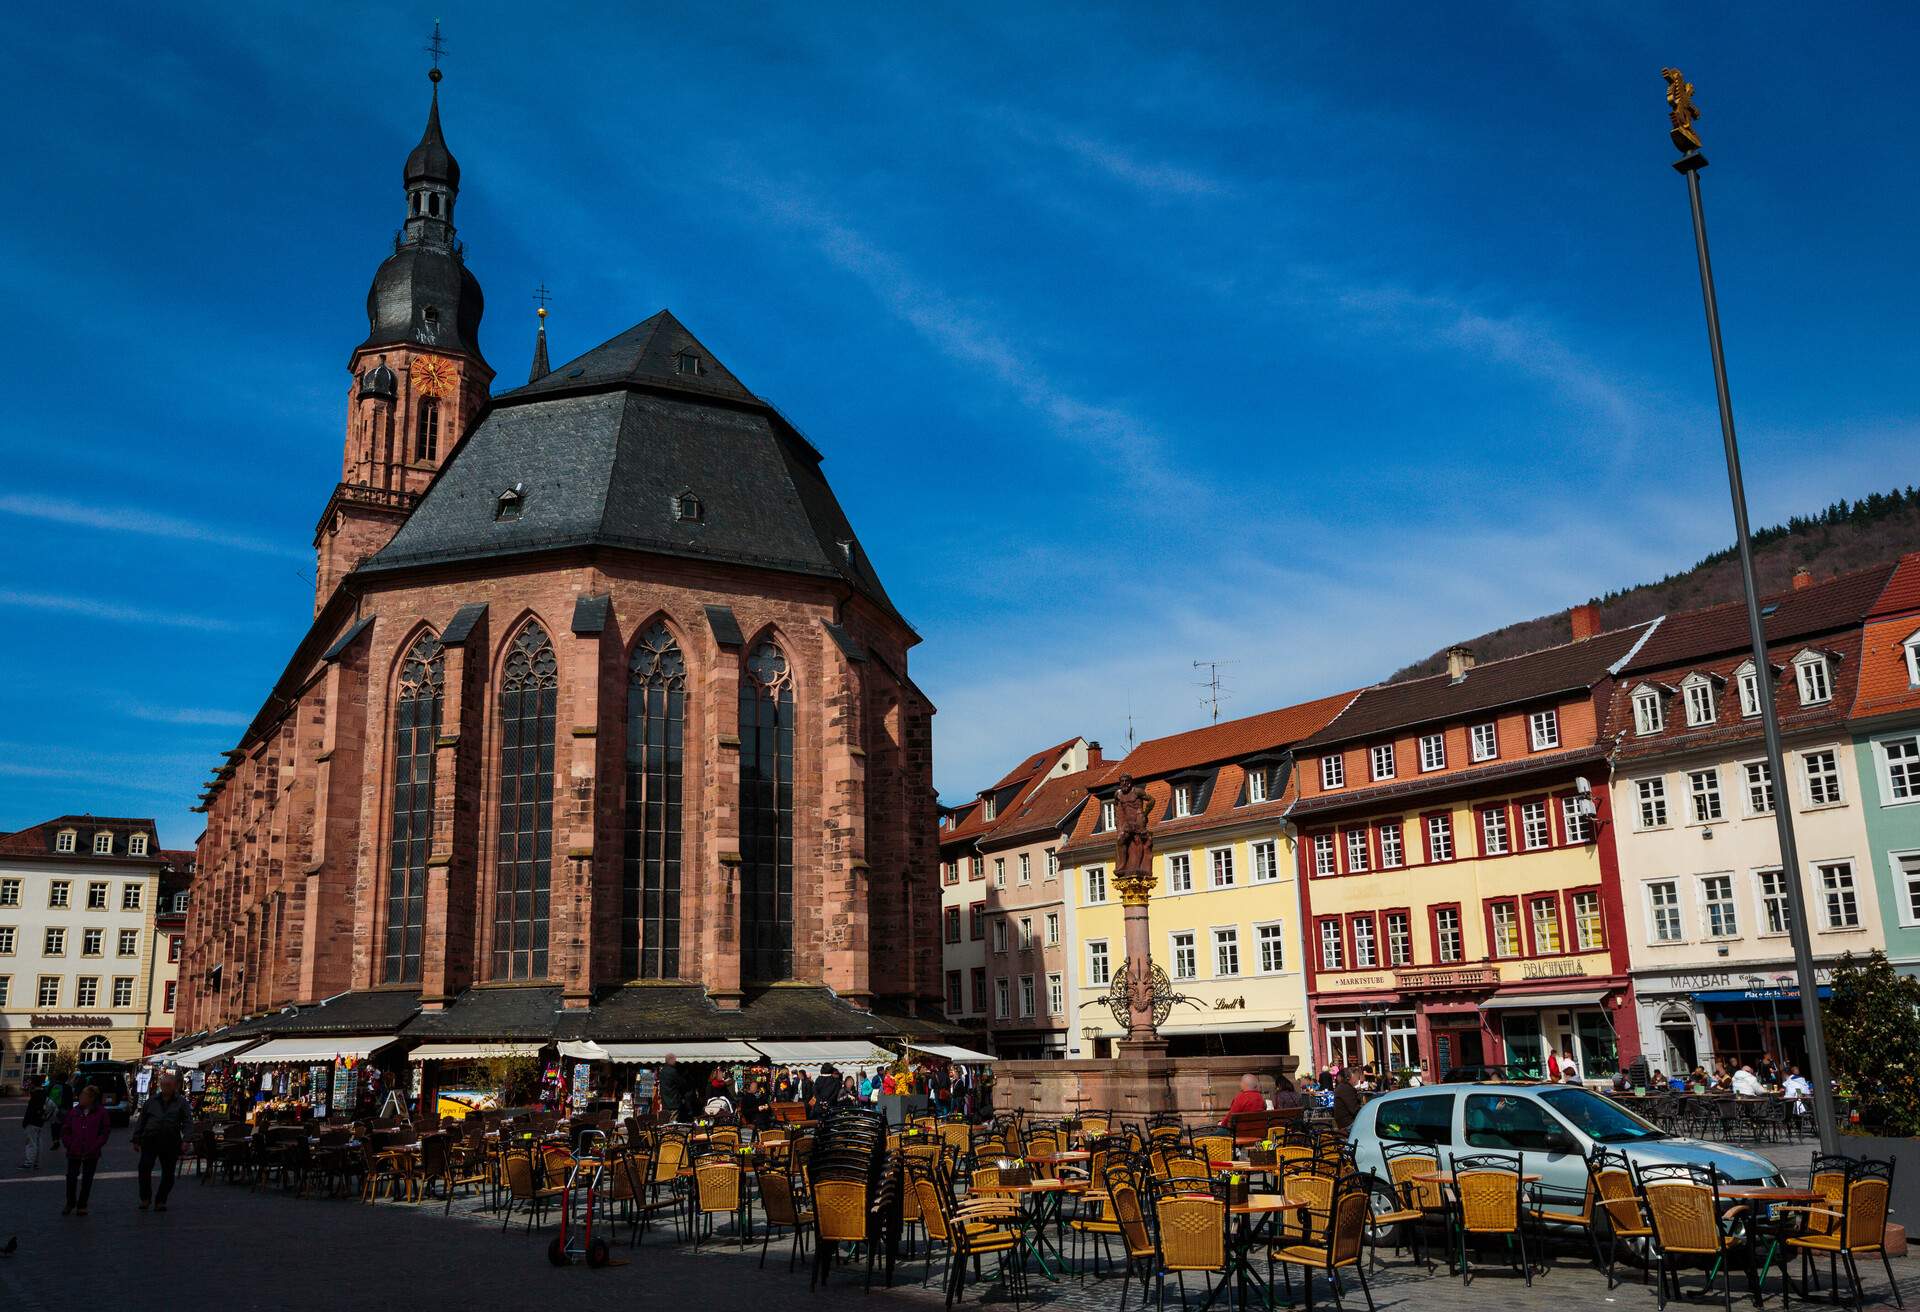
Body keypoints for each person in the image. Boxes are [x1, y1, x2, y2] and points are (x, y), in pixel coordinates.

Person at [130, 1071, 194, 1212]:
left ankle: (161, 1200)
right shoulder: (151, 1101)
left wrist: (186, 1139)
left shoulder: (181, 1102)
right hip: (150, 1139)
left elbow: (188, 1122)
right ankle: (145, 1198)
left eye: (168, 1085)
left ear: (175, 1086)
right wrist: (136, 1138)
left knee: (168, 1173)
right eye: (164, 1085)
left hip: (170, 1140)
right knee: (144, 1168)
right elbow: (142, 1121)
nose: (165, 1087)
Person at [57, 1085, 111, 1216]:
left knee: (87, 1179)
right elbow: (66, 1129)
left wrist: (96, 1145)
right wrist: (69, 1144)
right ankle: (70, 1202)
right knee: (71, 1178)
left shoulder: (101, 1113)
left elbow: (104, 1132)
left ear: (91, 1098)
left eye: (84, 1096)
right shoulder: (74, 1111)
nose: (81, 1097)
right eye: (81, 1095)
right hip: (74, 1150)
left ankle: (82, 1204)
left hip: (91, 1152)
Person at [20, 1075, 49, 1170]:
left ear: (33, 1083)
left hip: (32, 1121)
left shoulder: (36, 1095)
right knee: (38, 1141)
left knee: (31, 1142)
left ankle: (29, 1163)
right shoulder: (44, 1093)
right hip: (40, 1121)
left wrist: (26, 1122)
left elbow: (31, 1110)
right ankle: (37, 1162)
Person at [1331, 1066, 1364, 1131]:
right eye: (1357, 1076)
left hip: (1344, 1122)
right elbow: (1354, 1110)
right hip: (1348, 1123)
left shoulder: (1344, 1086)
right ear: (1351, 1076)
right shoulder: (1346, 1089)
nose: (1358, 1079)